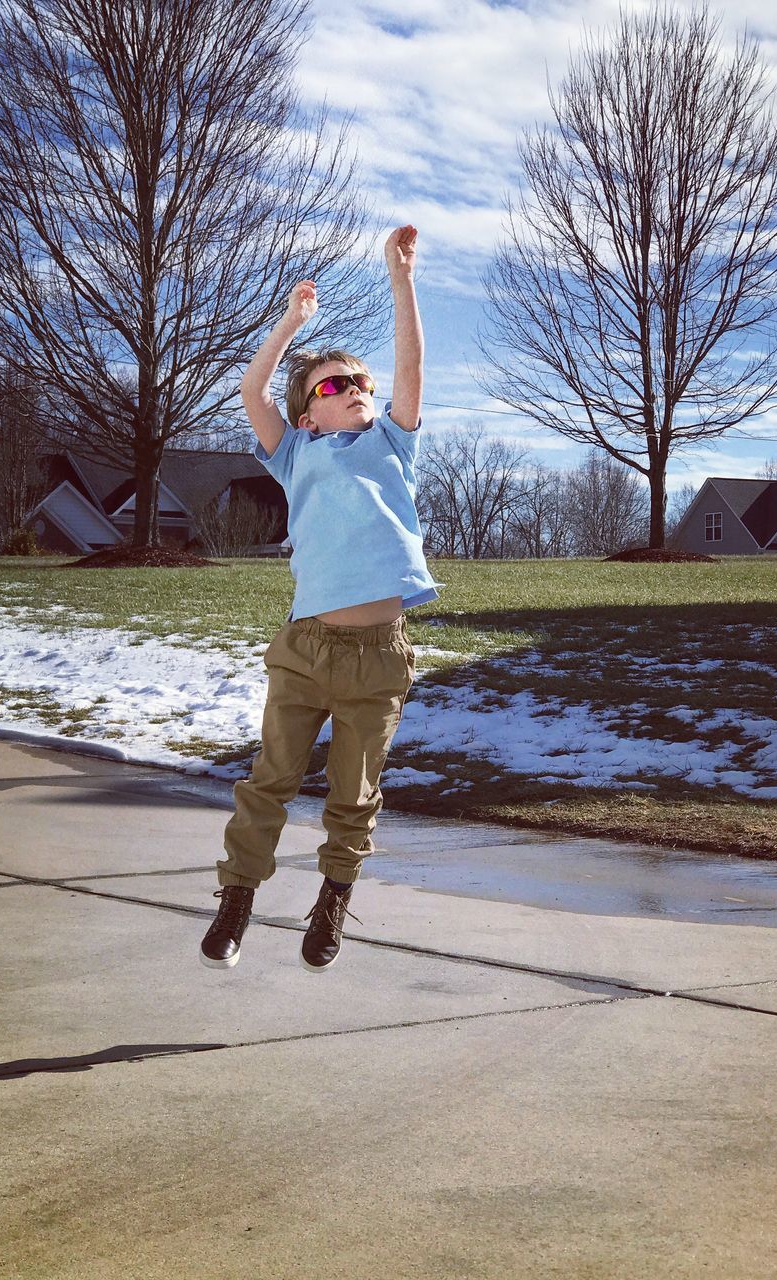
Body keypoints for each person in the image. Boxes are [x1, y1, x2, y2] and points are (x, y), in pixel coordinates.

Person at [200, 224, 441, 973]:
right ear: (309, 413)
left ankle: (332, 899)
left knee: (354, 793)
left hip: (378, 656)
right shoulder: (295, 453)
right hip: (307, 650)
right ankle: (237, 899)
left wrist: (400, 281)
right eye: (337, 386)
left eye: (360, 382)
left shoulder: (391, 443)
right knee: (269, 780)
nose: (358, 392)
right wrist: (291, 325)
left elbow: (410, 366)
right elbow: (251, 389)